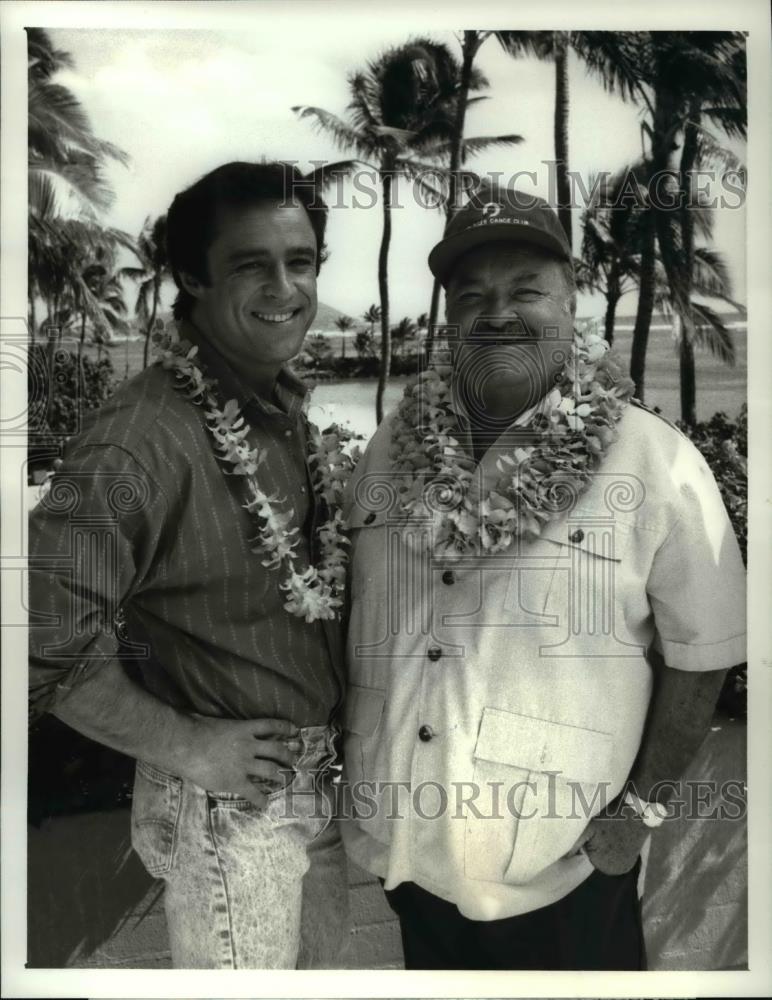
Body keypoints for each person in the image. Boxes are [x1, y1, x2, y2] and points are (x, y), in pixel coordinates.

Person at [340, 182, 746, 970]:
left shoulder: (652, 458)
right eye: (471, 297)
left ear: (571, 304)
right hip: (405, 856)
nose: (497, 314)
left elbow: (708, 648)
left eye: (525, 291)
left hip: (562, 867)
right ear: (449, 318)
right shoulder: (391, 446)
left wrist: (637, 818)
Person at [28, 161, 351, 969]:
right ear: (190, 280)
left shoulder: (280, 408)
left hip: (318, 789)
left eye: (301, 261)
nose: (285, 287)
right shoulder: (138, 438)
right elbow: (37, 639)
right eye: (251, 264)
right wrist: (187, 746)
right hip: (226, 812)